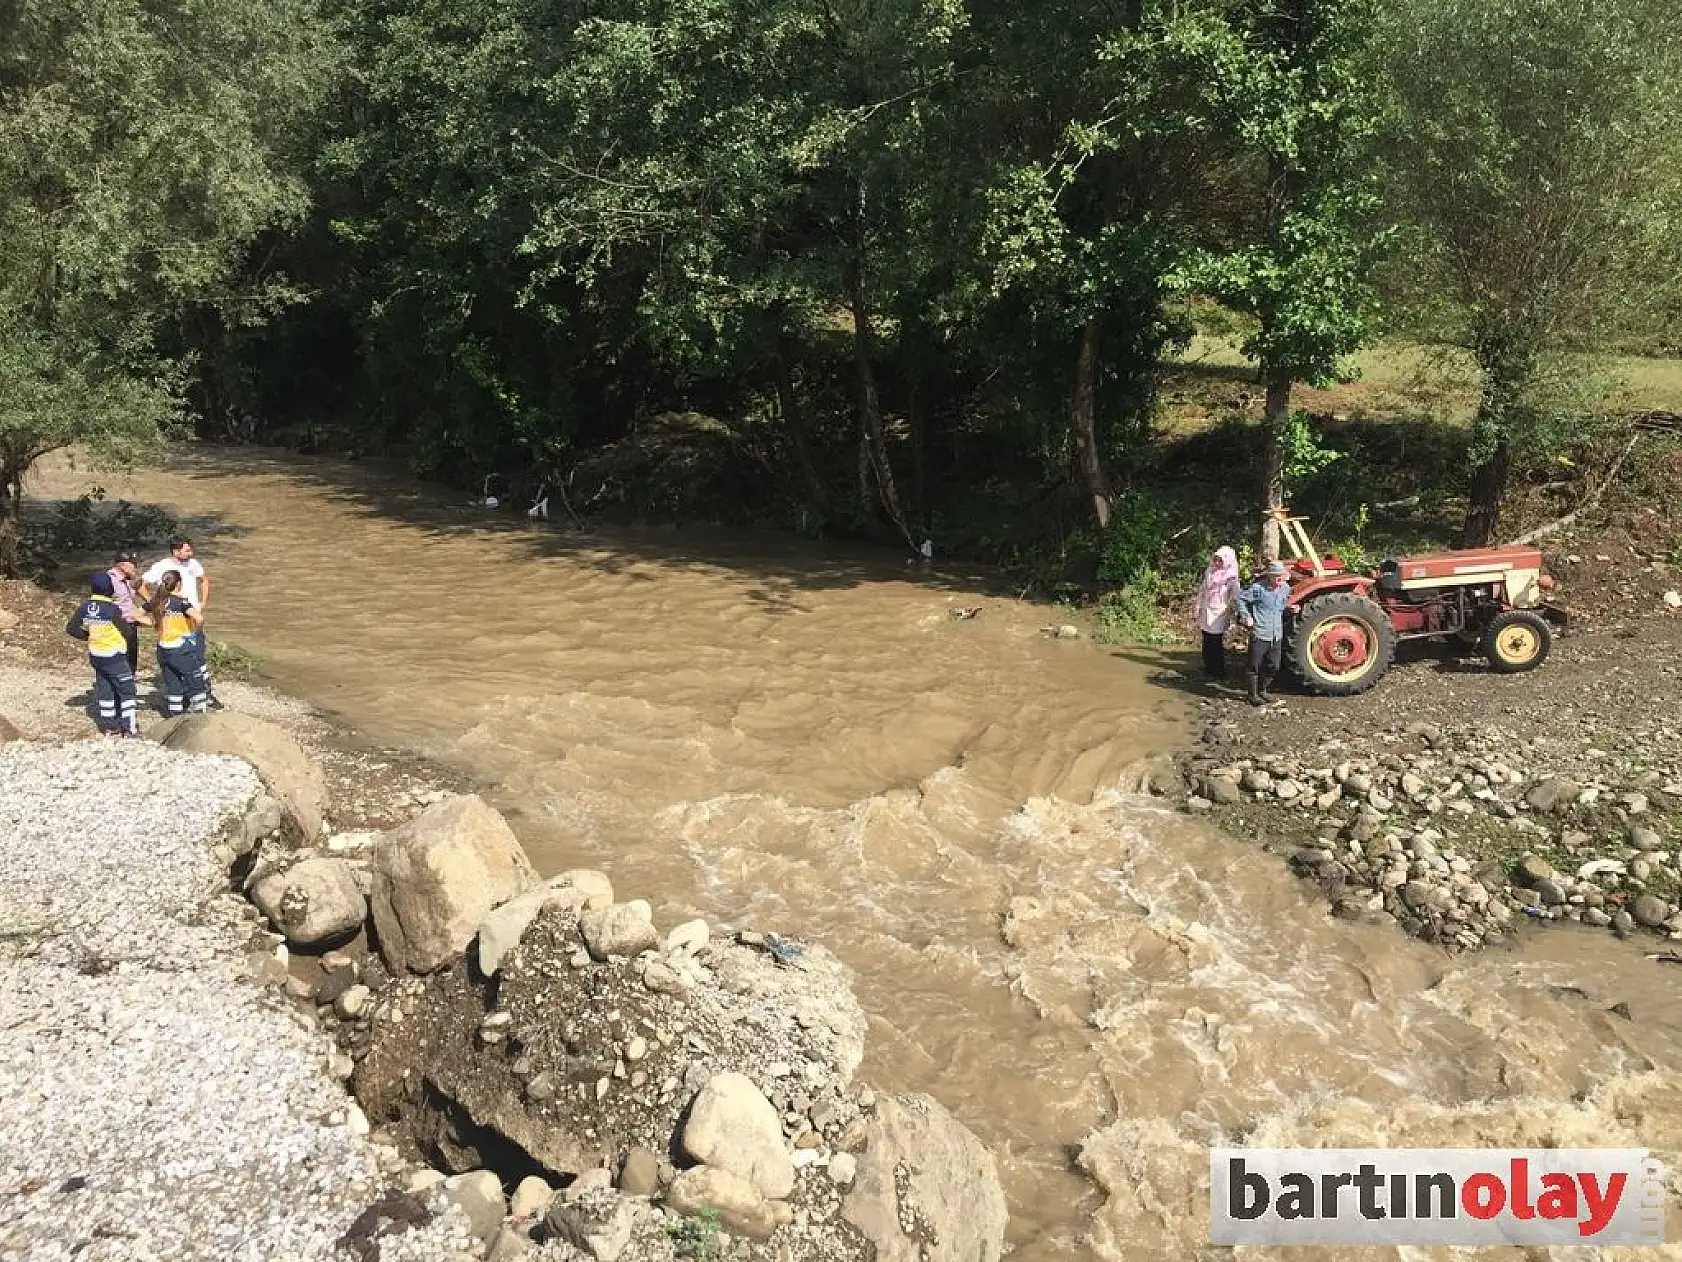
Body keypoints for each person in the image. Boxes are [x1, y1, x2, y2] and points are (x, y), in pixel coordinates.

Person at [141, 536, 224, 709]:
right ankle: (189, 697)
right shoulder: (162, 567)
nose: (191, 553)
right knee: (178, 658)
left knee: (199, 657)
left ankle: (206, 694)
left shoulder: (193, 564)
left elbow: (205, 580)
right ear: (176, 551)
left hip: (191, 616)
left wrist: (203, 603)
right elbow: (140, 583)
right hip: (173, 621)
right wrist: (153, 603)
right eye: (187, 550)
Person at [66, 572, 149, 737]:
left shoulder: (85, 606)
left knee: (105, 688)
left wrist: (89, 636)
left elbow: (71, 629)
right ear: (109, 589)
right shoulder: (112, 609)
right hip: (114, 656)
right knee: (127, 689)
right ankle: (130, 728)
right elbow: (126, 631)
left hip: (96, 655)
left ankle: (110, 726)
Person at [146, 571, 208, 715]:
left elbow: (135, 614)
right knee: (195, 681)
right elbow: (199, 619)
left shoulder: (158, 601)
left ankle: (174, 716)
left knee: (173, 685)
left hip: (163, 649)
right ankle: (200, 715)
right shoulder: (181, 603)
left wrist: (155, 624)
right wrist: (193, 634)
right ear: (179, 584)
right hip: (180, 648)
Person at [1235, 559, 1292, 707]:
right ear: (1270, 576)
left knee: (1274, 665)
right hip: (1260, 632)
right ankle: (1252, 695)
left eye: (1282, 575)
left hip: (1276, 634)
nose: (1280, 578)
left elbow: (1281, 606)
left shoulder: (1285, 588)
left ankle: (1263, 689)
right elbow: (1240, 599)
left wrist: (1290, 609)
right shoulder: (1258, 589)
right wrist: (1246, 616)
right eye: (1277, 576)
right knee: (1253, 666)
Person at [1194, 547, 1241, 680]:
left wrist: (1240, 611)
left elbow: (1237, 596)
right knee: (1206, 640)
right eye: (1215, 560)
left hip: (1219, 612)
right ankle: (1208, 668)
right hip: (1206, 609)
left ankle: (1218, 671)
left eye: (1220, 561)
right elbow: (1203, 590)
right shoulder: (1210, 571)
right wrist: (1197, 607)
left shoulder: (1231, 577)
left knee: (1215, 641)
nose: (1217, 563)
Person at [106, 549, 143, 673]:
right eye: (133, 563)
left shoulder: (126, 580)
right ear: (122, 564)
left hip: (130, 625)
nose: (135, 567)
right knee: (120, 662)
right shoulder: (109, 580)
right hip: (118, 626)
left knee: (131, 661)